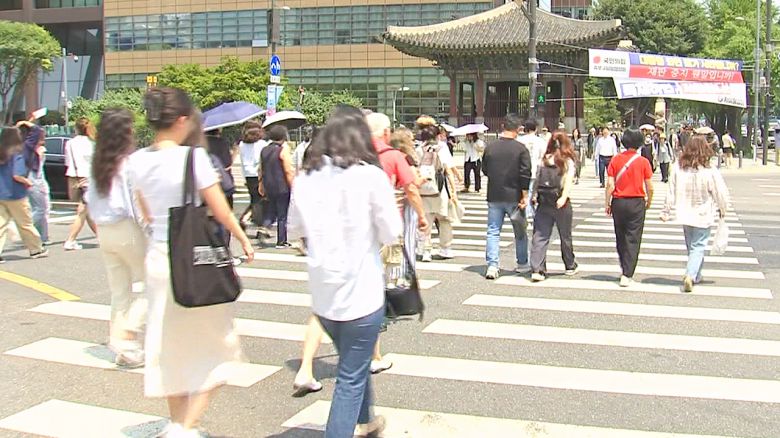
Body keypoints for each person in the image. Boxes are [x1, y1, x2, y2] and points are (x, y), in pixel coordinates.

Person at [129, 87, 254, 438]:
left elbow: (145, 212)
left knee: (170, 344)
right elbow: (220, 209)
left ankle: (176, 421)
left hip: (159, 258)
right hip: (192, 261)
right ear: (182, 120)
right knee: (221, 346)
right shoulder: (193, 158)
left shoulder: (136, 160)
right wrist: (243, 239)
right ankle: (186, 426)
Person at [288, 105, 401, 438]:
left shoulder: (306, 177)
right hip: (361, 290)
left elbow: (294, 229)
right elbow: (391, 232)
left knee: (354, 360)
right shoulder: (370, 176)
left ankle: (367, 422)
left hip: (323, 291)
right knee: (350, 377)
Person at [87, 108, 147, 368]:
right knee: (155, 284)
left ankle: (123, 348)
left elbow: (90, 200)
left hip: (105, 230)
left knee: (119, 292)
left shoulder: (98, 163)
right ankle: (127, 336)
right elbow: (135, 204)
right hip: (126, 228)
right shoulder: (128, 163)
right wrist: (150, 230)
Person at [660, 136, 729, 293]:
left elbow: (671, 191)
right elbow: (719, 191)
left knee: (692, 246)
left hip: (684, 213)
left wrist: (666, 210)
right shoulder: (709, 170)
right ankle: (690, 275)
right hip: (703, 213)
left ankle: (696, 274)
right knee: (698, 246)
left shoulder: (678, 168)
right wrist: (723, 208)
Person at [482, 113, 532, 280]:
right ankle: (522, 263)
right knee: (520, 231)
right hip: (514, 195)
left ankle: (492, 265)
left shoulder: (491, 147)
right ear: (518, 129)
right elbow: (525, 174)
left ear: (503, 127)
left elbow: (485, 170)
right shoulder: (521, 149)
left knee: (493, 231)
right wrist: (524, 195)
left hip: (494, 194)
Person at [605, 128, 654, 287]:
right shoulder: (643, 162)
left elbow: (610, 184)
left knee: (620, 236)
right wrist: (649, 201)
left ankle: (623, 266)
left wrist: (607, 203)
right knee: (633, 237)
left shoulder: (615, 160)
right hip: (636, 202)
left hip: (619, 202)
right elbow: (650, 186)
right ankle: (627, 273)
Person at [529, 132, 578, 282]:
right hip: (560, 201)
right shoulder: (567, 160)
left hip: (544, 200)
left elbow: (537, 178)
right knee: (565, 235)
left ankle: (538, 269)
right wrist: (563, 197)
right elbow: (568, 181)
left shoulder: (545, 159)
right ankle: (569, 265)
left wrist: (534, 195)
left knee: (540, 235)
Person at [0, 127, 48, 263]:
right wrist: (27, 182)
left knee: (1, 224)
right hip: (16, 194)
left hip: (1, 193)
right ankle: (36, 249)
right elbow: (17, 175)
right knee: (25, 224)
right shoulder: (17, 153)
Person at [417, 116, 459, 262]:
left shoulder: (418, 149)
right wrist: (453, 191)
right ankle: (445, 248)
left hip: (424, 191)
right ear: (437, 135)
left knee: (426, 221)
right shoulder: (442, 148)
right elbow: (448, 170)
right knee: (444, 220)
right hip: (440, 190)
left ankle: (426, 251)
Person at [258, 125, 295, 249]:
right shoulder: (283, 150)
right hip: (282, 185)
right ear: (283, 137)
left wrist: (261, 184)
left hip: (268, 185)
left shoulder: (264, 150)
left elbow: (260, 169)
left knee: (271, 209)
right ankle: (281, 241)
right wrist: (292, 185)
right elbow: (288, 170)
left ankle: (265, 225)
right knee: (282, 214)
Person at [63, 117, 97, 250]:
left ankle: (101, 237)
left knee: (86, 210)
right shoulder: (92, 143)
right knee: (83, 211)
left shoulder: (70, 143)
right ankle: (70, 240)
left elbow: (67, 162)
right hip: (88, 178)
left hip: (74, 177)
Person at [17, 119, 50, 243]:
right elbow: (37, 130)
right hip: (32, 178)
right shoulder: (27, 145)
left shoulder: (21, 145)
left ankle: (41, 236)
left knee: (39, 208)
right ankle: (26, 230)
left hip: (31, 177)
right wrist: (24, 122)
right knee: (40, 209)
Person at [238, 121, 267, 228]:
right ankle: (253, 221)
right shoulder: (262, 144)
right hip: (258, 174)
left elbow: (242, 160)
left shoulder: (242, 144)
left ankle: (247, 218)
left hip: (248, 174)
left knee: (254, 198)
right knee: (260, 200)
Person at [516, 120, 547, 218]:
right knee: (532, 192)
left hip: (522, 170)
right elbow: (544, 156)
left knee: (525, 192)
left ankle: (527, 211)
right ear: (536, 129)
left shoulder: (520, 140)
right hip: (536, 169)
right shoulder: (540, 141)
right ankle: (530, 211)